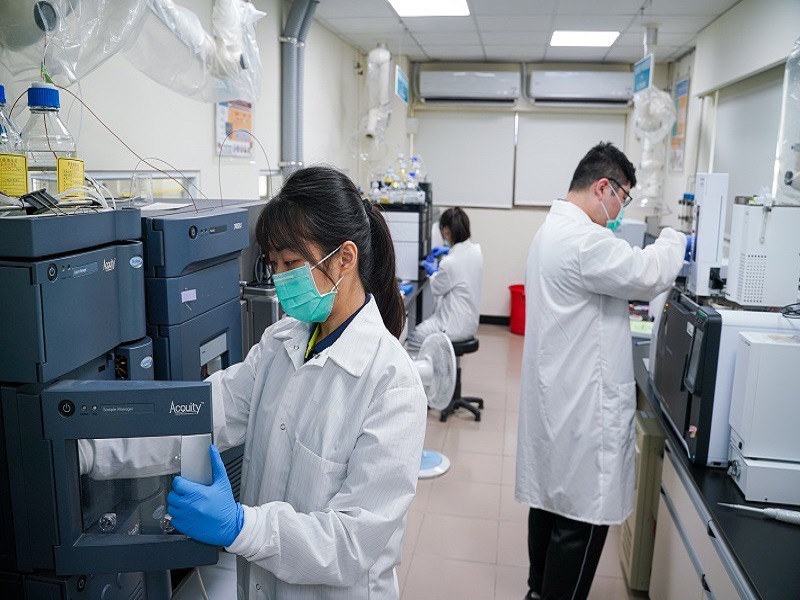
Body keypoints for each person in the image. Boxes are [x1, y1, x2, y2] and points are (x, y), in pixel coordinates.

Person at [80, 166, 427, 599]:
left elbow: (349, 544)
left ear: (345, 258)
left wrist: (240, 526)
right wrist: (88, 448)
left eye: (292, 263)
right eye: (274, 264)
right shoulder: (280, 343)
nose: (281, 279)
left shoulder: (392, 384)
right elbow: (200, 415)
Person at [515, 142, 686, 600]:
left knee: (549, 504)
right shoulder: (584, 240)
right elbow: (648, 273)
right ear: (603, 187)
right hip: (582, 409)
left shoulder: (553, 230)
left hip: (559, 398)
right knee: (581, 518)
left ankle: (537, 591)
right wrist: (676, 237)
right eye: (623, 198)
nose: (620, 211)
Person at [406, 207, 483, 353]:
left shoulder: (450, 263)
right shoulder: (476, 251)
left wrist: (433, 271)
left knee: (415, 336)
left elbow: (437, 288)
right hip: (470, 324)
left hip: (452, 327)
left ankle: (425, 368)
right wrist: (448, 251)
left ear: (446, 231)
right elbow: (462, 260)